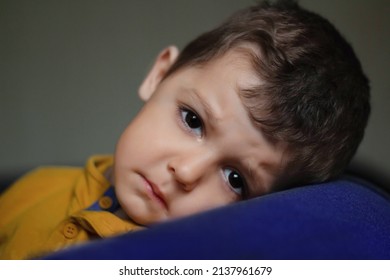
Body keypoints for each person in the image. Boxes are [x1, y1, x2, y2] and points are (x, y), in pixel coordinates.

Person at [0, 0, 370, 259]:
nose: (187, 173)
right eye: (193, 120)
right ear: (159, 75)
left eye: (235, 179)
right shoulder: (31, 190)